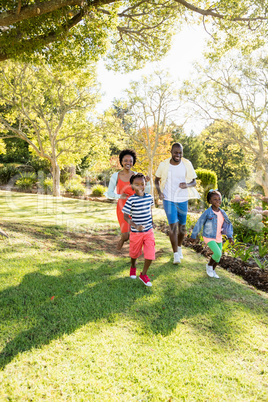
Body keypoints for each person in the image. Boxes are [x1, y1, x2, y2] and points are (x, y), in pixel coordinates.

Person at [155, 142, 200, 264]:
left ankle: (179, 248)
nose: (178, 155)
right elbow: (156, 179)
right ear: (171, 152)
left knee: (182, 227)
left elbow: (194, 182)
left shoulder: (187, 164)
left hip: (182, 199)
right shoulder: (164, 165)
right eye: (176, 152)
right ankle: (175, 254)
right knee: (173, 226)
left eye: (180, 153)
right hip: (168, 199)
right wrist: (159, 192)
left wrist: (187, 184)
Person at [105, 149, 150, 250]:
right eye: (125, 160)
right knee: (126, 235)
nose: (128, 163)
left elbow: (146, 191)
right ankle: (122, 241)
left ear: (133, 162)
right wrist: (119, 196)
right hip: (123, 207)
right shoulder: (116, 175)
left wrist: (148, 182)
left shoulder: (137, 175)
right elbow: (109, 193)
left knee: (136, 234)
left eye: (130, 161)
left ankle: (134, 256)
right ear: (121, 161)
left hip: (136, 206)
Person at [190, 189, 234, 278]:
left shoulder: (222, 212)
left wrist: (230, 237)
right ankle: (209, 266)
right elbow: (199, 223)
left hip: (218, 236)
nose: (218, 201)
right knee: (217, 253)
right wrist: (193, 235)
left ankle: (213, 271)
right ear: (210, 201)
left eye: (219, 199)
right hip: (208, 236)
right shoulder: (208, 212)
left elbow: (228, 225)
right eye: (215, 199)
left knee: (218, 256)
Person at [122, 173, 155, 287]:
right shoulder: (131, 200)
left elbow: (149, 211)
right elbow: (125, 216)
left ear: (145, 185)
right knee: (134, 254)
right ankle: (133, 266)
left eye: (142, 184)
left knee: (150, 253)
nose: (140, 186)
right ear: (132, 186)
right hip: (136, 233)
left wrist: (152, 221)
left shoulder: (150, 198)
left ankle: (143, 274)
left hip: (148, 231)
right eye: (136, 184)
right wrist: (135, 226)